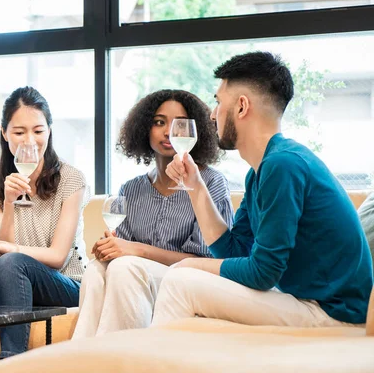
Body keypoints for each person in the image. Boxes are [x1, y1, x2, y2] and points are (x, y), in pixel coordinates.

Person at [152, 51, 373, 328]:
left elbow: (263, 272)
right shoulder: (261, 171)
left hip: (335, 313)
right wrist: (196, 187)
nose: (212, 114)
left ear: (242, 107)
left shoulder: (283, 165)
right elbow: (233, 251)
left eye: (218, 102)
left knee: (180, 281)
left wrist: (191, 265)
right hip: (307, 301)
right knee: (183, 279)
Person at [72, 89, 233, 338]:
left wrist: (135, 250)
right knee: (96, 270)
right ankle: (81, 358)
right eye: (159, 122)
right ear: (144, 128)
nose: (168, 131)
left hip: (187, 283)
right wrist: (109, 248)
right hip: (134, 281)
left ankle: (125, 359)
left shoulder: (210, 183)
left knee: (125, 267)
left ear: (195, 131)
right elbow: (122, 249)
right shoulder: (131, 188)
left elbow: (206, 261)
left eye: (179, 124)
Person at [0, 86, 89, 372]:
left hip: (67, 284)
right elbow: (3, 247)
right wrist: (9, 203)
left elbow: (57, 257)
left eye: (38, 131)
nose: (30, 140)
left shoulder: (71, 179)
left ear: (50, 131)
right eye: (19, 132)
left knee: (6, 260)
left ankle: (10, 365)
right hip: (14, 280)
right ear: (4, 133)